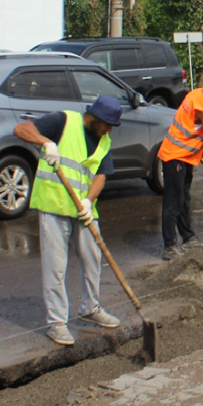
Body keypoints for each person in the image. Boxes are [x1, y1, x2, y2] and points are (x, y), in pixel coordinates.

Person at [14, 95, 124, 346]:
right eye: (107, 124)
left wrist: (88, 201)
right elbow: (21, 129)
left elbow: (101, 176)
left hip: (82, 209)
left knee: (93, 257)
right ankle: (57, 323)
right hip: (54, 204)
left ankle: (90, 308)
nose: (109, 130)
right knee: (56, 266)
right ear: (94, 118)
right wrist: (46, 142)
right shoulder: (62, 121)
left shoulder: (104, 140)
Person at [157, 73, 203, 260]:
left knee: (184, 199)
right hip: (175, 156)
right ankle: (170, 245)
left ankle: (188, 237)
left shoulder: (198, 94)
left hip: (186, 157)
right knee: (173, 202)